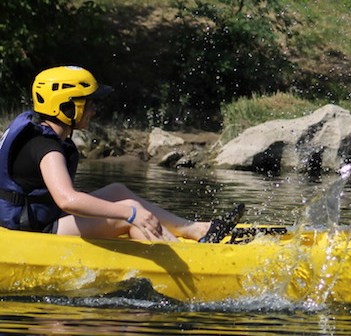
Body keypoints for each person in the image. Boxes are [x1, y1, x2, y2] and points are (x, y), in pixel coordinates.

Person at [0, 66, 244, 243]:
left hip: (37, 217)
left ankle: (196, 229)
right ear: (66, 106)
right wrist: (131, 213)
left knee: (118, 191)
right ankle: (190, 260)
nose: (94, 110)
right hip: (29, 230)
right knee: (128, 211)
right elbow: (67, 200)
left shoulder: (40, 132)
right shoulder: (45, 146)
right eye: (89, 103)